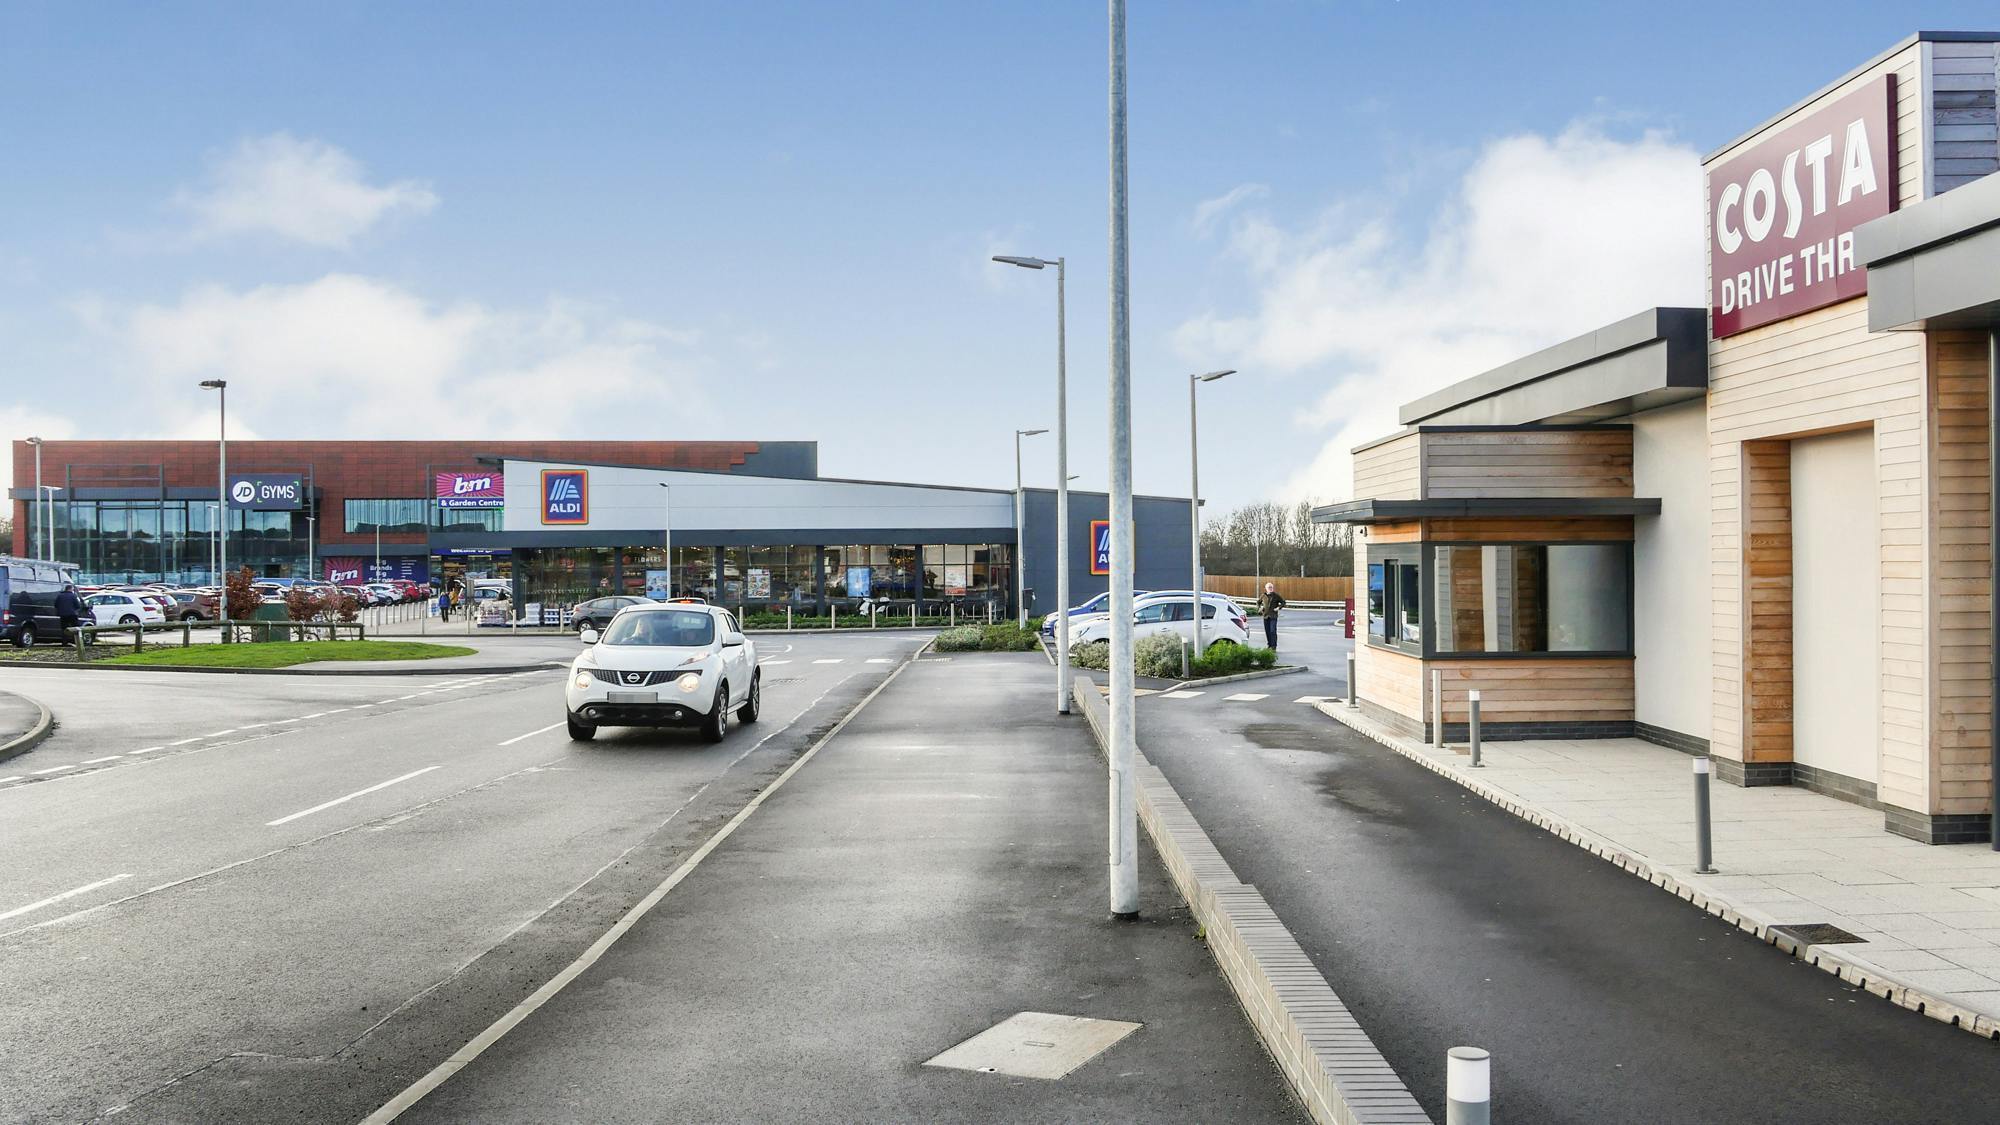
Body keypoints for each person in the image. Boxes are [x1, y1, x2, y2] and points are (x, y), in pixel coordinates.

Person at [1257, 581, 1285, 652]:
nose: (1270, 588)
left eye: (1271, 587)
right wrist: (1259, 608)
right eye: (1269, 587)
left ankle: (1274, 647)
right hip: (1265, 616)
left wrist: (1278, 608)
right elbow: (1258, 602)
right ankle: (1269, 645)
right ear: (1266, 588)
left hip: (1273, 616)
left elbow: (1283, 602)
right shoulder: (1263, 595)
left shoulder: (1276, 595)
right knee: (1267, 631)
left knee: (1273, 631)